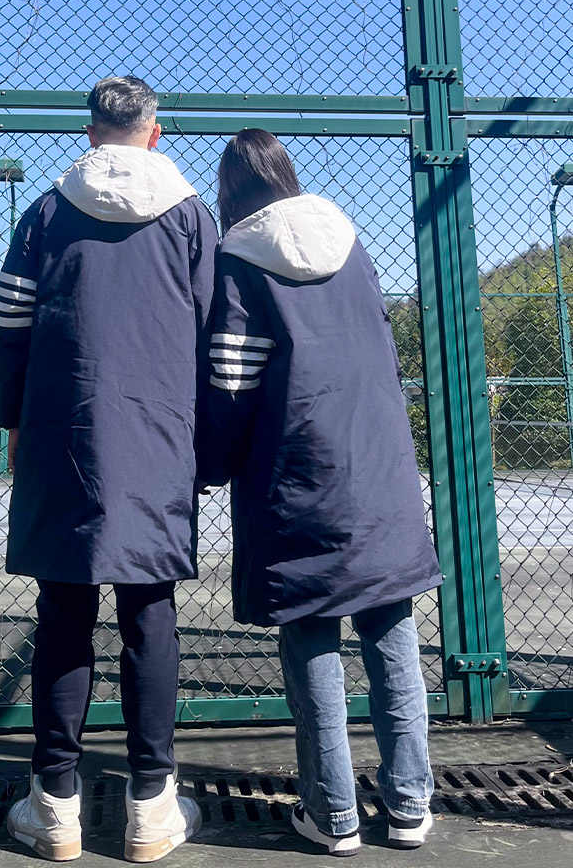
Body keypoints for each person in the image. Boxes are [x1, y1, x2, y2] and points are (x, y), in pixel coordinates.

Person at [0, 76, 217, 862]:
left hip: (64, 432)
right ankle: (152, 805)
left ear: (89, 133)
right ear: (156, 131)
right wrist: (207, 435)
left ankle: (54, 803)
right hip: (161, 435)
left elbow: (10, 316)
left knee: (63, 612)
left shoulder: (47, 211)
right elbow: (214, 326)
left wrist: (14, 417)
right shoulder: (190, 214)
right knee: (150, 613)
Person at [200, 129, 443, 857]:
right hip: (379, 468)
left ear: (231, 191)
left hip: (295, 474)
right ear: (287, 174)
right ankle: (410, 806)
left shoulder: (240, 259)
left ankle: (333, 815)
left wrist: (210, 463)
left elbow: (232, 379)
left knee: (311, 638)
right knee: (392, 635)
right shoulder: (351, 244)